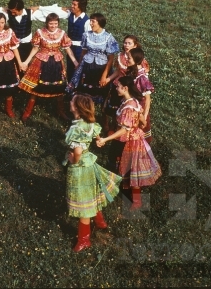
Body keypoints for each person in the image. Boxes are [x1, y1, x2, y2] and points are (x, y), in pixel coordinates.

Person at [64, 94, 121, 252]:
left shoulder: (76, 129)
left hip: (80, 167)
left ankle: (84, 240)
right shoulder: (89, 123)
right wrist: (99, 140)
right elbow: (96, 133)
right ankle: (100, 222)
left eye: (72, 101)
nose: (70, 102)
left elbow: (77, 150)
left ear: (77, 108)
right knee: (91, 193)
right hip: (90, 162)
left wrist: (73, 160)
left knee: (83, 202)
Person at [96, 76, 161, 211]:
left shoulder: (128, 107)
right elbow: (143, 121)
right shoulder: (134, 102)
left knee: (131, 169)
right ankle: (121, 189)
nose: (116, 88)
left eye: (118, 86)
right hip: (134, 139)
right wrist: (137, 126)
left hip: (128, 143)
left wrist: (105, 139)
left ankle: (135, 201)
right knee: (127, 167)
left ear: (125, 88)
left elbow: (123, 130)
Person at [18, 13, 78, 123]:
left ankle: (61, 111)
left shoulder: (61, 33)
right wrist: (26, 62)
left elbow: (68, 49)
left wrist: (75, 62)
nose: (53, 26)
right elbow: (35, 49)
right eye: (51, 24)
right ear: (47, 23)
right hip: (41, 61)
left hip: (56, 63)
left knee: (59, 87)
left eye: (55, 23)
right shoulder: (40, 33)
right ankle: (27, 111)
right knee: (35, 87)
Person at [100, 34, 150, 134]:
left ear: (135, 46)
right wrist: (108, 79)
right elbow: (118, 71)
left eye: (129, 43)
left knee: (125, 107)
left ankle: (123, 129)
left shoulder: (139, 61)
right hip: (120, 85)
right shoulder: (121, 56)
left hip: (130, 87)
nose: (126, 45)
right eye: (125, 43)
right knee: (115, 107)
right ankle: (113, 126)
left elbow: (142, 79)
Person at [67, 13, 119, 104]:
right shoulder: (86, 35)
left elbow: (111, 59)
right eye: (90, 21)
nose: (90, 23)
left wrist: (104, 75)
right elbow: (83, 52)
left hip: (101, 68)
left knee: (100, 91)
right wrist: (79, 65)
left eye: (93, 21)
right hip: (87, 66)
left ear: (100, 23)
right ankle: (83, 110)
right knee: (83, 90)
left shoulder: (108, 37)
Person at [59, 0, 91, 81]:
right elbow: (56, 11)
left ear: (81, 7)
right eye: (72, 4)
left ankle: (78, 91)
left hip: (80, 49)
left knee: (78, 69)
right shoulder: (70, 14)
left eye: (74, 4)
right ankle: (70, 89)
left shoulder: (87, 21)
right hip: (70, 47)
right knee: (69, 68)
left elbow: (89, 39)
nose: (72, 6)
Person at [126, 47, 154, 143]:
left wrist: (144, 117)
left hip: (139, 111)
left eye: (129, 58)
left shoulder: (142, 78)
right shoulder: (131, 71)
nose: (126, 59)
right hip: (130, 106)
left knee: (139, 137)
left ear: (136, 59)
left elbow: (147, 100)